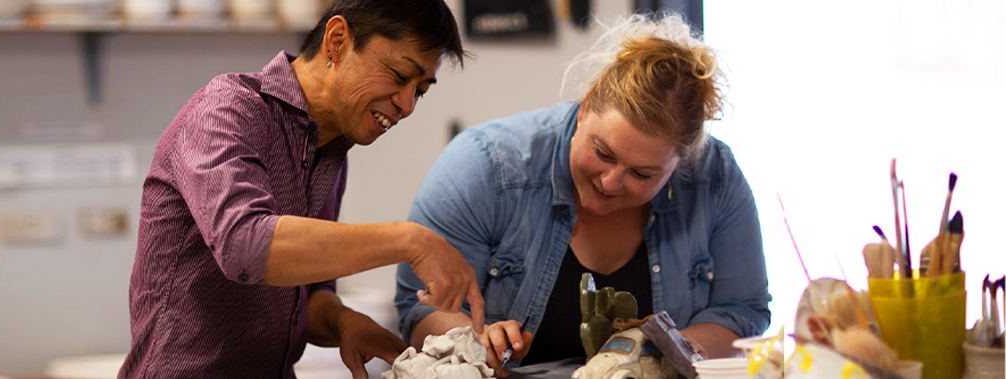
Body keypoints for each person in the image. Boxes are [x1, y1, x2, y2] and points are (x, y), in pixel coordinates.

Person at [118, 1, 487, 378]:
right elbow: (245, 245)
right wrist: (411, 240)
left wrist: (343, 321)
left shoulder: (330, 149)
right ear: (338, 40)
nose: (407, 105)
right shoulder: (225, 110)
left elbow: (304, 295)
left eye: (420, 91)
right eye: (397, 75)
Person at [395, 12, 771, 375]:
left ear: (681, 163)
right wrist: (476, 343)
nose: (609, 183)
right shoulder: (487, 165)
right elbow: (419, 306)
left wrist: (655, 358)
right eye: (602, 153)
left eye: (642, 174)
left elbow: (741, 312)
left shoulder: (715, 177)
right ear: (586, 106)